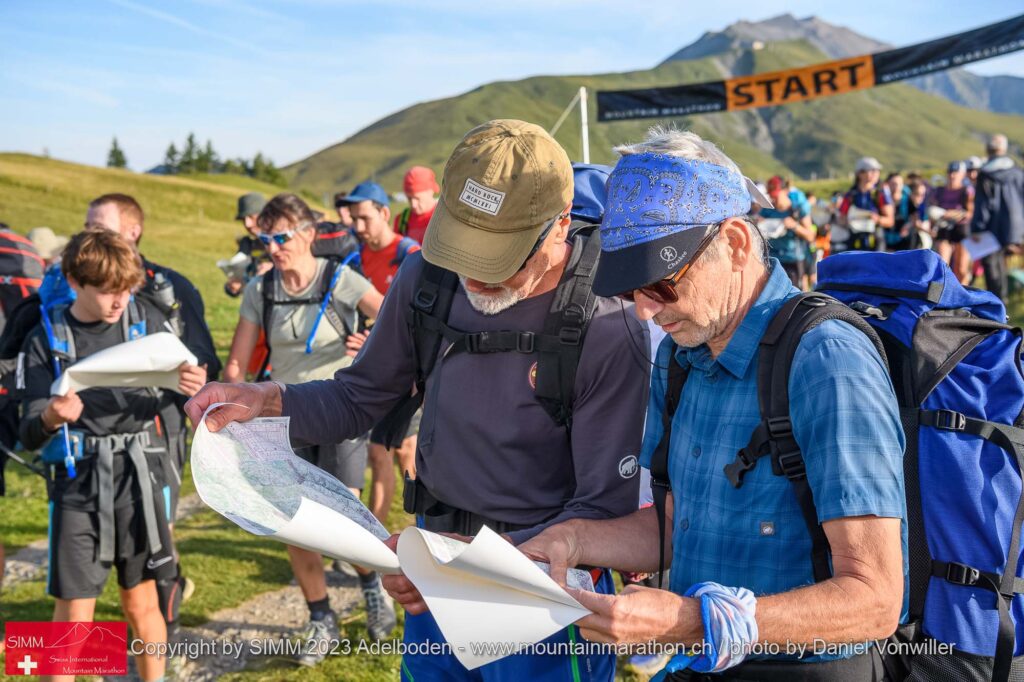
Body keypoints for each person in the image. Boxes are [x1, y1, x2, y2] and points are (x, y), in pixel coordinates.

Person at [186, 119, 650, 682]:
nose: (475, 277)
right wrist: (266, 399)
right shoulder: (429, 275)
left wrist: (470, 565)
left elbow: (603, 507)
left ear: (559, 227)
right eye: (463, 248)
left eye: (498, 257)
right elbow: (361, 395)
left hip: (543, 594)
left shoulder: (609, 319)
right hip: (433, 575)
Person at [519, 128, 906, 681]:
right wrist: (572, 539)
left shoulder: (827, 359)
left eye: (661, 286)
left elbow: (874, 600)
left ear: (736, 243)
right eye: (630, 294)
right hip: (695, 661)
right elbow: (678, 525)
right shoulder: (682, 355)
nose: (646, 314)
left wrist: (694, 621)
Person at [20, 230, 208, 682]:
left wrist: (193, 389)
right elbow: (25, 427)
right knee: (74, 611)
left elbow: (179, 389)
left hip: (138, 480)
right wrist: (49, 415)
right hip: (77, 484)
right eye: (107, 291)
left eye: (126, 289)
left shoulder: (145, 320)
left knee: (141, 601)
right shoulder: (48, 336)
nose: (119, 301)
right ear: (73, 281)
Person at [222, 193, 388, 659]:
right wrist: (227, 402)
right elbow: (238, 361)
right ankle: (321, 617)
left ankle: (372, 585)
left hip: (340, 411)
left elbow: (397, 322)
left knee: (344, 519)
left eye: (282, 237)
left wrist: (371, 338)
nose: (274, 247)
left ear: (309, 235)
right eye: (266, 238)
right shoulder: (261, 290)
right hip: (282, 416)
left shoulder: (341, 279)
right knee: (290, 522)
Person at [84, 192, 220, 646]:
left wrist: (193, 373)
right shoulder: (69, 282)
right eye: (87, 228)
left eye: (100, 229)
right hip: (81, 441)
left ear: (132, 232)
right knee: (79, 573)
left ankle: (168, 637)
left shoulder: (171, 287)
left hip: (155, 433)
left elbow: (205, 359)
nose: (90, 237)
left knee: (156, 536)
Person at [341, 181, 422, 525]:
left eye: (365, 219)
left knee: (406, 452)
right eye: (353, 220)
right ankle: (374, 540)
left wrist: (377, 338)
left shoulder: (411, 255)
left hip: (408, 373)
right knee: (378, 454)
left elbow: (420, 317)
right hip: (368, 372)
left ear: (384, 213)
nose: (358, 228)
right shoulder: (353, 258)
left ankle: (425, 527)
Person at [970, 133, 1024, 303]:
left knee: (992, 264)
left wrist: (977, 227)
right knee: (1003, 262)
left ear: (988, 149)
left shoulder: (985, 174)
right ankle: (1005, 299)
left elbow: (983, 205)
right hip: (1015, 224)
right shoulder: (1017, 171)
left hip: (992, 226)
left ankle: (998, 305)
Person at [758, 176, 815, 288]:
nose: (773, 199)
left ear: (786, 191)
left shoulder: (797, 208)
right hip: (773, 260)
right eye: (770, 195)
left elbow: (811, 236)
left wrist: (794, 226)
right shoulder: (766, 209)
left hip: (793, 261)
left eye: (776, 195)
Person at [929, 161, 974, 283]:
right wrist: (932, 225)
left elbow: (970, 212)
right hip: (944, 229)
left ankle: (962, 298)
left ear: (962, 175)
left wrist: (952, 214)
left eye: (955, 173)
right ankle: (941, 299)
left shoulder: (967, 191)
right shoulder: (939, 191)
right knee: (942, 267)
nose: (952, 176)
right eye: (950, 173)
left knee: (961, 269)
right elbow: (931, 211)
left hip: (961, 230)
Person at [838, 157, 895, 252]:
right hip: (854, 241)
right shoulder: (850, 195)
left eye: (877, 171)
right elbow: (841, 219)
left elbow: (890, 221)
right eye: (873, 170)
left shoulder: (880, 194)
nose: (877, 173)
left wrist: (877, 219)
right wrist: (850, 220)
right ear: (860, 173)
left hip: (875, 243)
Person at [224, 192, 271, 297]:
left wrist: (275, 271)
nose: (247, 224)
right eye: (243, 219)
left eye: (251, 217)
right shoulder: (248, 244)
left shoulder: (283, 240)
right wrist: (232, 287)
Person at [394, 166, 440, 245]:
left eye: (417, 198)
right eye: (409, 198)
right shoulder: (401, 220)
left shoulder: (442, 217)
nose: (413, 204)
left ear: (430, 191)